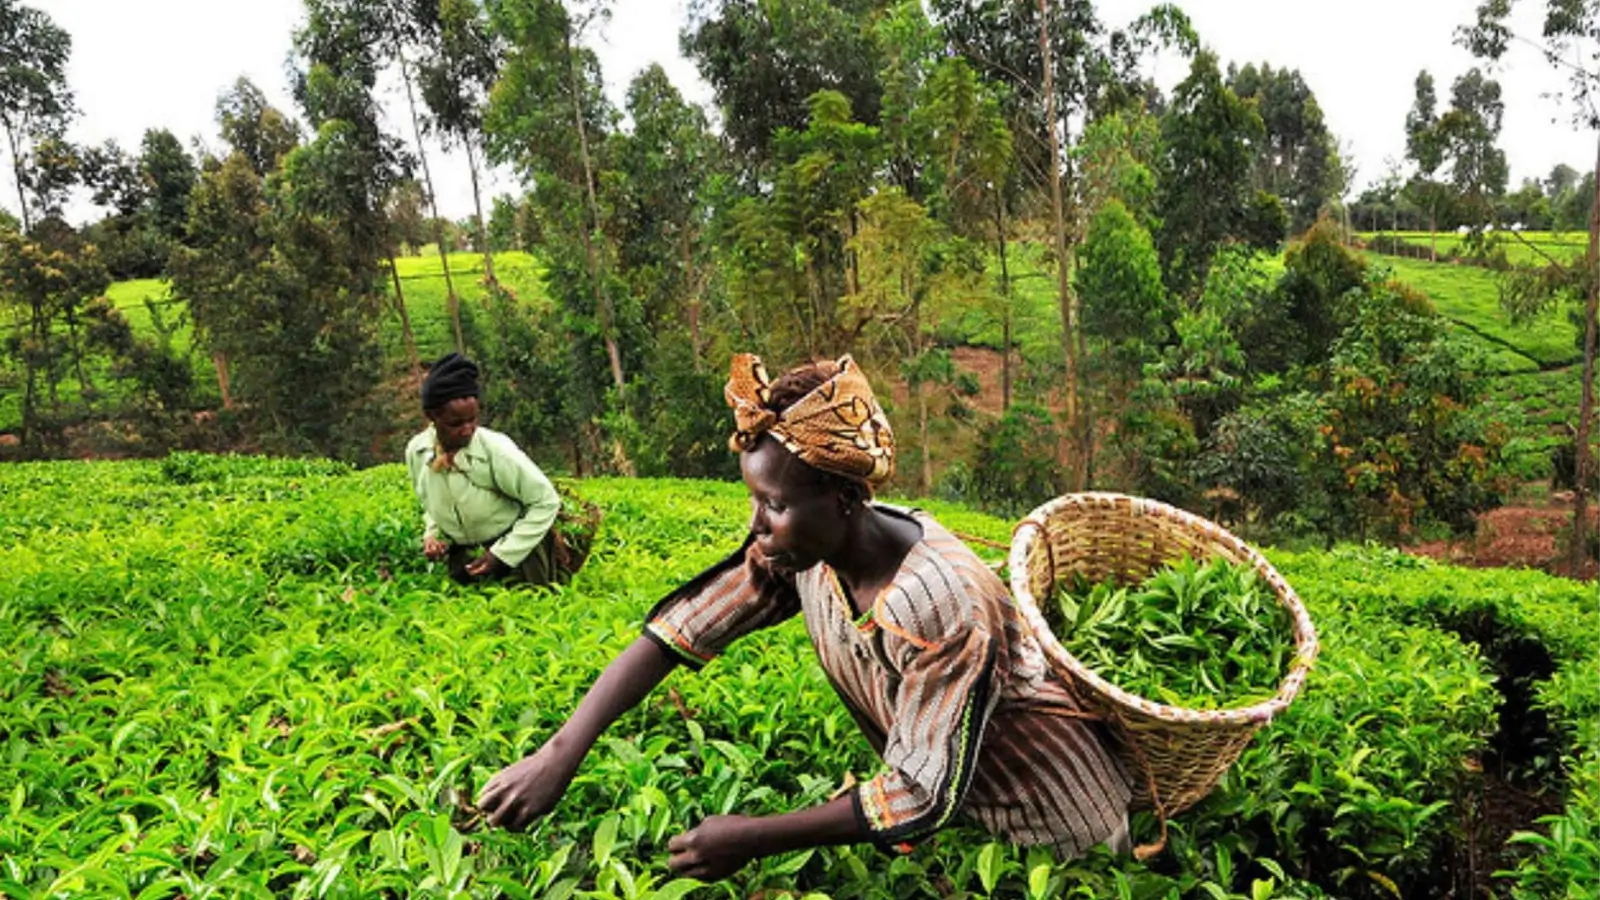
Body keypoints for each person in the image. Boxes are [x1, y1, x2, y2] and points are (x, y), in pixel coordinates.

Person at [477, 354, 1132, 881]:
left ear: (844, 498)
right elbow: (688, 626)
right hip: (965, 808)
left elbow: (917, 796)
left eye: (774, 505)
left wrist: (751, 837)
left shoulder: (944, 604)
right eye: (755, 500)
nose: (758, 526)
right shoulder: (805, 552)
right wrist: (560, 753)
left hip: (1057, 827)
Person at [406, 352, 574, 587]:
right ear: (432, 416)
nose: (467, 429)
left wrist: (502, 554)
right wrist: (432, 535)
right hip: (465, 557)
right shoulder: (418, 452)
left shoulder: (496, 450)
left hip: (519, 555)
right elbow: (430, 504)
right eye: (456, 423)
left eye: (473, 420)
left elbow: (546, 501)